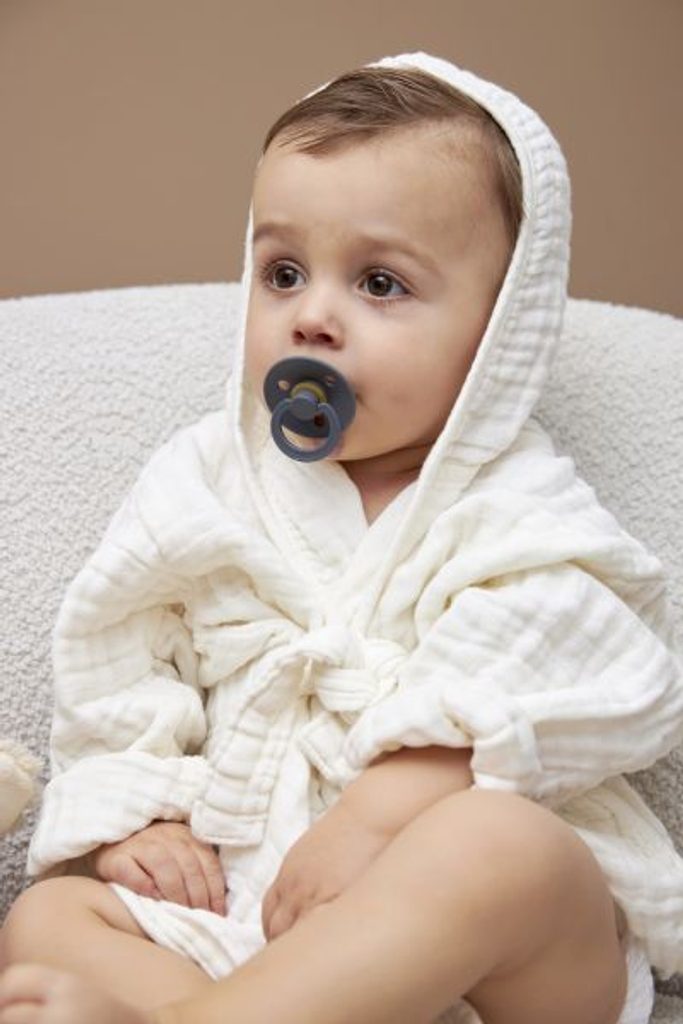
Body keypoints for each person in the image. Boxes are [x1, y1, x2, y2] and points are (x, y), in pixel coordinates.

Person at [0, 50, 681, 1024]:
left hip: (484, 967)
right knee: (50, 919)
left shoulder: (516, 503)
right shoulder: (207, 477)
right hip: (250, 915)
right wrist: (139, 816)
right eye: (282, 272)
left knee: (501, 847)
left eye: (379, 282)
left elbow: (578, 666)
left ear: (499, 332)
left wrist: (378, 815)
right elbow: (118, 653)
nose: (312, 315)